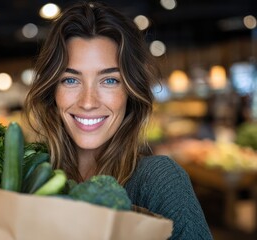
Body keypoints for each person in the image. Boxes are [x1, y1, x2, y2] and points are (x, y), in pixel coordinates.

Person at [25, 1, 213, 239]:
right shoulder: (31, 174)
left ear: (130, 92)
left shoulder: (158, 180)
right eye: (70, 80)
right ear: (52, 90)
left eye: (110, 80)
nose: (88, 101)